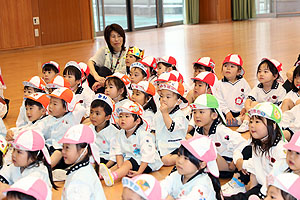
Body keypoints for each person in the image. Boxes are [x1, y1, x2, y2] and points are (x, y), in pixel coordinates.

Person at [225, 102, 286, 199]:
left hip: (274, 194)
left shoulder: (281, 150)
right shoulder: (258, 144)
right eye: (251, 121)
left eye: (257, 122)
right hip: (261, 188)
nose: (252, 125)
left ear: (273, 126)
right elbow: (256, 170)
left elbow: (280, 183)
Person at [100, 101, 163, 187]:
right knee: (120, 165)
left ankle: (112, 176)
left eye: (127, 116)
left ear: (137, 121)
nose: (122, 119)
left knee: (127, 163)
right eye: (120, 116)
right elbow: (118, 153)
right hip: (131, 160)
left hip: (147, 163)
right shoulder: (119, 134)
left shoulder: (144, 135)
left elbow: (147, 156)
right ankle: (107, 174)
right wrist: (121, 168)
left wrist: (139, 172)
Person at [189, 94, 246, 178]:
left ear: (214, 115)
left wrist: (235, 160)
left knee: (206, 148)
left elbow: (243, 143)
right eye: (194, 112)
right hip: (211, 164)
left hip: (226, 166)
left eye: (201, 112)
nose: (197, 115)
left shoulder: (221, 130)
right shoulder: (198, 130)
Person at [160, 135, 222, 200]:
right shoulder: (176, 175)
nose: (179, 161)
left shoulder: (203, 185)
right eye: (179, 155)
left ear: (202, 165)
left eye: (186, 158)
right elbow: (160, 188)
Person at [0, 130, 56, 200]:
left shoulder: (38, 174)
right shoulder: (16, 166)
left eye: (19, 152)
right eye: (14, 150)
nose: (13, 154)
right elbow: (3, 176)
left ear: (33, 157)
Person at [237, 58, 286, 133]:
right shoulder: (258, 87)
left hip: (271, 115)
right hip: (258, 114)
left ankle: (245, 121)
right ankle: (245, 121)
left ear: (275, 76)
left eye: (266, 72)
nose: (261, 74)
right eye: (259, 71)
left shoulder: (280, 89)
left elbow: (280, 108)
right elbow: (249, 99)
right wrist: (248, 108)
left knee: (255, 104)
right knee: (252, 104)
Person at [59, 124, 107, 200]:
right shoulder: (84, 169)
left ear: (83, 151)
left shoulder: (80, 180)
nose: (63, 151)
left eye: (67, 147)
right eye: (63, 147)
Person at [155, 81, 189, 166]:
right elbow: (154, 128)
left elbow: (171, 127)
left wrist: (165, 113)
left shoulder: (180, 115)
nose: (164, 99)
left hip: (175, 146)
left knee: (166, 160)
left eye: (168, 97)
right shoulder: (159, 112)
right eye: (162, 96)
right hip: (161, 145)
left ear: (178, 101)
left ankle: (185, 158)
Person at [87, 24, 127, 93]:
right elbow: (90, 62)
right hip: (102, 83)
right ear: (108, 39)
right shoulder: (105, 50)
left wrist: (105, 82)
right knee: (94, 70)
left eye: (119, 36)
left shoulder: (128, 54)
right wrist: (97, 77)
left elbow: (122, 74)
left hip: (118, 84)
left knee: (103, 70)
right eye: (113, 37)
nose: (116, 39)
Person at [216, 54, 251, 126]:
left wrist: (244, 107)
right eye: (225, 66)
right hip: (226, 112)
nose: (228, 68)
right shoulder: (219, 84)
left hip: (240, 112)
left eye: (232, 66)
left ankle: (239, 121)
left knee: (249, 114)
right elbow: (219, 101)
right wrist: (227, 112)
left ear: (238, 71)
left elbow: (248, 96)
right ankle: (230, 122)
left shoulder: (243, 82)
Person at [89, 93, 118, 168]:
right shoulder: (89, 128)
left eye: (97, 113)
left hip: (105, 161)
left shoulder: (114, 133)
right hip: (91, 159)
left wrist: (104, 168)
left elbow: (114, 158)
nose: (93, 116)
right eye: (91, 112)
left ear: (107, 117)